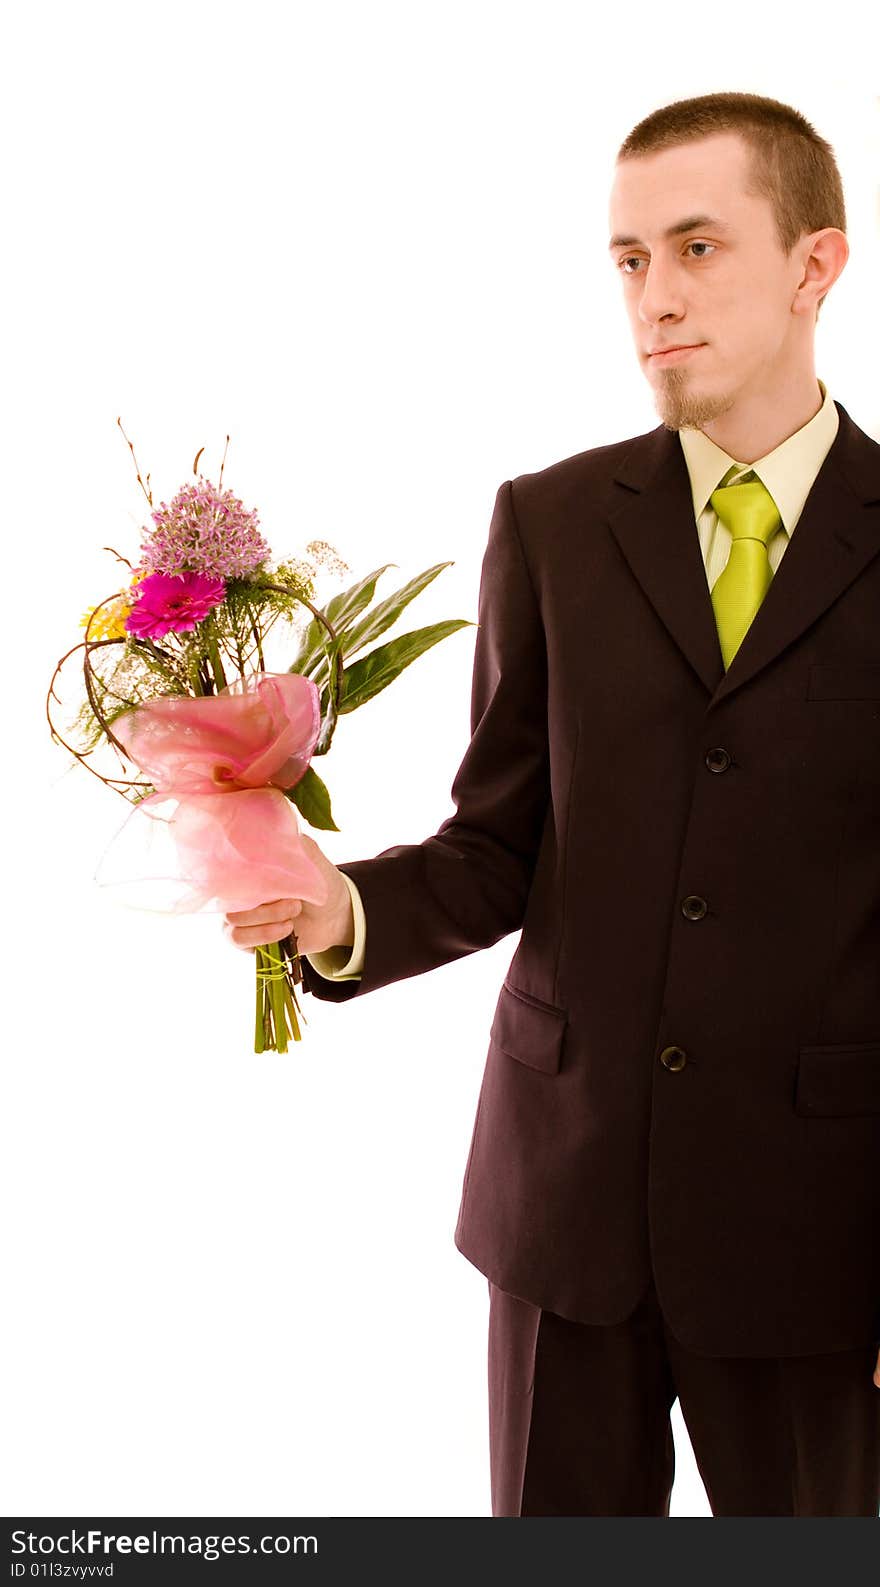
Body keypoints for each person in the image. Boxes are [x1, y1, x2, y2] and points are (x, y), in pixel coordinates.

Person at [223, 90, 880, 1517]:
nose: (655, 297)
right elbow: (499, 845)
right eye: (630, 260)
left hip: (822, 1235)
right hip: (565, 1214)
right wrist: (337, 907)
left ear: (817, 265)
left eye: (698, 249)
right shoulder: (555, 523)